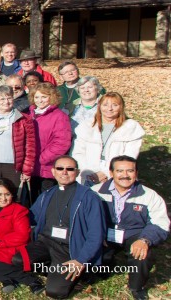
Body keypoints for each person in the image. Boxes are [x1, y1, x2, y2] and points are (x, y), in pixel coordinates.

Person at [26, 156, 105, 299]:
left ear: (77, 172)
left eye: (70, 169)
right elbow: (30, 218)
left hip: (69, 249)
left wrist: (81, 260)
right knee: (18, 260)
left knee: (55, 292)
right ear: (53, 171)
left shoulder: (89, 197)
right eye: (60, 168)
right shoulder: (47, 194)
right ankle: (53, 268)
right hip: (46, 242)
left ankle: (82, 272)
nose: (64, 172)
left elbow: (96, 234)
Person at [93, 156, 170, 300]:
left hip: (134, 235)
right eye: (120, 171)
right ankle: (106, 265)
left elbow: (161, 224)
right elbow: (84, 219)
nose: (125, 175)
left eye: (130, 171)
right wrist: (96, 235)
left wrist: (145, 240)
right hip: (104, 234)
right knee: (97, 264)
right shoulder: (95, 192)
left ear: (136, 173)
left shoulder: (150, 196)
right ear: (111, 173)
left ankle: (137, 287)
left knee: (143, 253)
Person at [72, 93, 144, 186]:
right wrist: (88, 172)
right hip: (88, 173)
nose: (109, 109)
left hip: (118, 174)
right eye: (105, 105)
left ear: (121, 107)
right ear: (99, 106)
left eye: (115, 105)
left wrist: (106, 173)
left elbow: (129, 157)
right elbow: (78, 153)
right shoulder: (87, 126)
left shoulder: (130, 128)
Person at [0, 86, 36, 194]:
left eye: (8, 98)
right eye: (1, 99)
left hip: (13, 165)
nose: (6, 102)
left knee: (12, 197)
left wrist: (27, 169)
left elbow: (30, 146)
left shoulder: (24, 119)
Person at [29, 83, 72, 202]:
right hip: (31, 167)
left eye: (44, 97)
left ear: (51, 97)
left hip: (47, 167)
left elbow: (61, 143)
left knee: (46, 201)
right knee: (33, 201)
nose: (40, 100)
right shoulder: (31, 115)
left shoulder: (59, 116)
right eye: (37, 97)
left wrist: (42, 159)